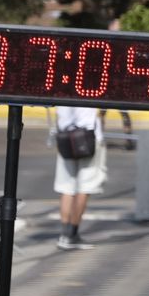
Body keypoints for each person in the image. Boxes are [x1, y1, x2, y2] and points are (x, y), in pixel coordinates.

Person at [53, 105, 106, 251]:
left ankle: (64, 234)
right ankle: (72, 234)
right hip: (88, 137)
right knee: (85, 186)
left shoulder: (61, 85)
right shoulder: (91, 85)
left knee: (67, 187)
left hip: (65, 136)